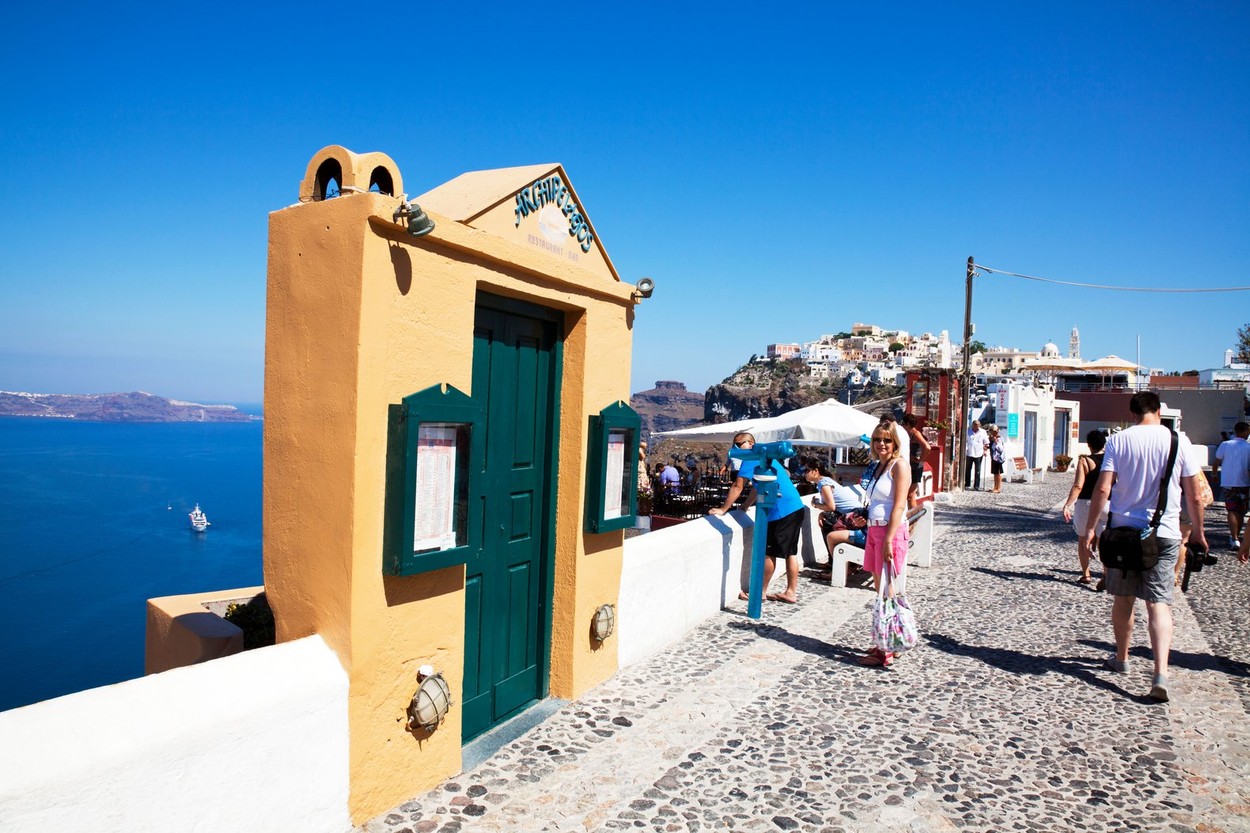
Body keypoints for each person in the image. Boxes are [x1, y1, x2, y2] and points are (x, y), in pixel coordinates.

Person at [1084, 392, 1207, 702]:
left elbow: (1103, 487)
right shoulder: (1179, 441)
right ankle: (1160, 673)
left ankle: (1122, 658)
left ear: (1132, 412)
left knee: (1123, 599)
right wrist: (1198, 532)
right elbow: (1194, 495)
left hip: (1124, 533)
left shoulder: (1118, 441)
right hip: (1164, 533)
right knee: (1158, 603)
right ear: (1159, 410)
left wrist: (1090, 528)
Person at [709, 432, 806, 604]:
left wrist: (724, 509)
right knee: (791, 552)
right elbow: (759, 486)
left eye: (740, 444)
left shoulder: (752, 458)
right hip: (795, 506)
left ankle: (759, 592)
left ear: (751, 443)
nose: (737, 447)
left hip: (781, 511)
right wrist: (745, 506)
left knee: (769, 553)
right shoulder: (768, 457)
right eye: (735, 444)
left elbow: (738, 486)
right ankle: (791, 592)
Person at [859, 421, 912, 667]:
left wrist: (889, 539)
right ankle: (890, 640)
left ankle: (886, 649)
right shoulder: (880, 466)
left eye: (887, 440)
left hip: (888, 532)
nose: (882, 444)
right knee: (880, 589)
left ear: (895, 443)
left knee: (887, 590)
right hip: (874, 529)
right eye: (878, 439)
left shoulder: (899, 465)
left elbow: (900, 504)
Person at [1061, 430, 1108, 586]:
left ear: (1089, 445)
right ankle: (1106, 573)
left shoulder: (1085, 461)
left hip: (1087, 503)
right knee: (1104, 540)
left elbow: (1078, 485)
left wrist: (1067, 504)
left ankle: (1086, 574)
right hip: (1107, 503)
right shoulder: (1111, 460)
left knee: (1082, 538)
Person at [1212, 422, 1250, 550]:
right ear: (1246, 432)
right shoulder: (1248, 447)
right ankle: (1236, 537)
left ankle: (1234, 538)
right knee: (1241, 511)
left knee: (1232, 510)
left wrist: (1214, 474)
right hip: (1245, 483)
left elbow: (1216, 461)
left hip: (1228, 483)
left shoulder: (1225, 445)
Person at [901, 414, 932, 508]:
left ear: (906, 424)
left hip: (915, 468)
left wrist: (919, 460)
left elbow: (927, 447)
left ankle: (914, 519)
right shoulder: (906, 434)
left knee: (910, 496)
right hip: (908, 467)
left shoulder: (915, 434)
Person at [964, 419, 989, 490]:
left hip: (979, 453)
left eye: (978, 426)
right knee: (968, 469)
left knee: (977, 470)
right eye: (975, 425)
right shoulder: (968, 431)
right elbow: (965, 440)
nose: (976, 427)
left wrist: (985, 451)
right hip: (969, 452)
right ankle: (967, 484)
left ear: (979, 425)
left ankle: (976, 486)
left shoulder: (983, 432)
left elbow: (986, 443)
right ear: (973, 425)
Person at [987, 425, 1006, 493]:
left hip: (998, 458)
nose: (991, 432)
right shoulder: (993, 438)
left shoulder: (999, 438)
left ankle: (998, 488)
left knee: (998, 473)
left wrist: (996, 442)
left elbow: (1000, 449)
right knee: (995, 473)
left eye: (993, 431)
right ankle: (995, 487)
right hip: (994, 458)